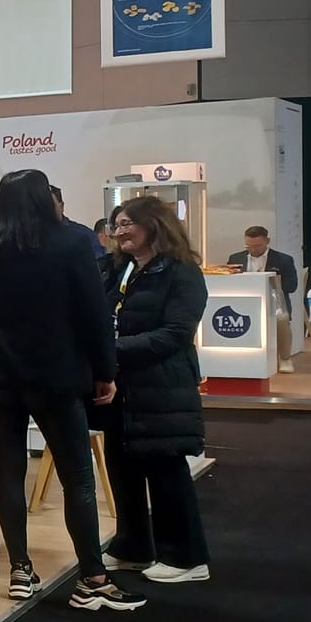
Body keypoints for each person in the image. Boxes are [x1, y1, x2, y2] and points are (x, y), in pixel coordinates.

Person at [0, 169, 145, 611]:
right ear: (46, 198)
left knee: (9, 472)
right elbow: (95, 313)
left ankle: (20, 571)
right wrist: (106, 370)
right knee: (77, 476)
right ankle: (92, 577)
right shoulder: (71, 243)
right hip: (56, 372)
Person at [99, 197, 211, 583]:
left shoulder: (182, 271)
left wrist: (112, 348)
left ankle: (186, 557)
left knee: (166, 470)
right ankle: (132, 547)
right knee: (122, 468)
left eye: (127, 223)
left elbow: (176, 333)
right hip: (121, 386)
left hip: (163, 384)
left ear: (153, 224)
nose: (119, 231)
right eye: (116, 225)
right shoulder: (119, 268)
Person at [228, 226, 299, 373]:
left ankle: (285, 358)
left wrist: (271, 283)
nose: (253, 249)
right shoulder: (235, 258)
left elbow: (292, 286)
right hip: (244, 301)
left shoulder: (283, 260)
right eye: (249, 246)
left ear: (267, 241)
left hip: (275, 302)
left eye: (258, 245)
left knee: (281, 319)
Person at [51, 184, 108, 259]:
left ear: (61, 206)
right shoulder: (36, 238)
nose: (45, 209)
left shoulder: (85, 236)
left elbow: (98, 263)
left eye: (50, 205)